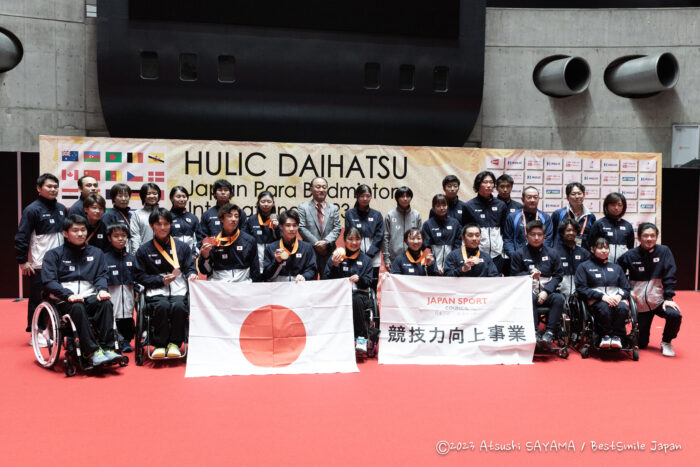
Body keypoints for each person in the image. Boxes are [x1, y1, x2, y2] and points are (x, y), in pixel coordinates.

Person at [41, 214, 122, 366]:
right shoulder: (53, 255)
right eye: (75, 230)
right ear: (65, 233)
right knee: (77, 306)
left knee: (105, 303)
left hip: (89, 296)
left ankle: (108, 348)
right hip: (64, 299)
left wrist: (101, 289)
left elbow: (101, 275)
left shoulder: (96, 253)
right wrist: (68, 295)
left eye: (83, 230)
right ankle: (91, 351)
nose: (80, 234)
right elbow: (49, 281)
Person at [134, 208, 198, 359]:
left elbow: (189, 267)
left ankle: (175, 344)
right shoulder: (144, 250)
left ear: (170, 225)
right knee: (161, 306)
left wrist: (192, 274)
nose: (162, 227)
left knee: (179, 307)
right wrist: (160, 281)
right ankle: (159, 345)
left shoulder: (182, 247)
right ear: (151, 226)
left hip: (179, 289)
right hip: (155, 290)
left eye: (166, 224)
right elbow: (139, 275)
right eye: (158, 224)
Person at [15, 173, 67, 342]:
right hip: (39, 264)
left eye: (55, 186)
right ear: (39, 188)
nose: (53, 189)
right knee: (37, 298)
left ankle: (51, 330)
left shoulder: (61, 208)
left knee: (57, 297)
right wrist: (22, 261)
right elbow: (22, 236)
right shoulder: (32, 210)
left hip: (60, 263)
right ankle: (36, 333)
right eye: (49, 186)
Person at [618, 223, 681, 356]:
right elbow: (618, 273)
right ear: (639, 237)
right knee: (641, 344)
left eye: (652, 235)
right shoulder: (630, 255)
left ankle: (666, 342)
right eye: (645, 236)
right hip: (640, 304)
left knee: (675, 315)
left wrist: (668, 298)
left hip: (659, 301)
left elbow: (670, 275)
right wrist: (628, 291)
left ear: (657, 237)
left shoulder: (664, 251)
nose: (649, 239)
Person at [510, 220, 565, 344]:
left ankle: (549, 332)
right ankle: (533, 332)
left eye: (539, 234)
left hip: (547, 292)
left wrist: (546, 291)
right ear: (526, 236)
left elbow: (558, 275)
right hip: (527, 292)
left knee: (559, 299)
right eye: (533, 234)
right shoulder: (519, 254)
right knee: (530, 298)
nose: (536, 238)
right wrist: (529, 275)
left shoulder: (552, 253)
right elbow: (514, 276)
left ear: (544, 236)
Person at [323, 227, 374, 353]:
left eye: (357, 239)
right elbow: (326, 280)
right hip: (338, 295)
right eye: (350, 239)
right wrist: (335, 266)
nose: (354, 242)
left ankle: (361, 338)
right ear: (344, 240)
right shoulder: (336, 257)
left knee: (355, 300)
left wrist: (359, 279)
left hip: (360, 295)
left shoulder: (366, 260)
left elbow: (369, 281)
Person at [575, 236, 632, 350]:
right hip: (596, 301)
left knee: (623, 308)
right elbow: (581, 288)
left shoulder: (616, 268)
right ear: (592, 249)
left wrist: (619, 296)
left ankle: (617, 337)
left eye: (606, 248)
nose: (604, 251)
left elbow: (626, 288)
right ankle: (604, 336)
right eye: (600, 248)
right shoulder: (584, 267)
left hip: (616, 300)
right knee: (604, 308)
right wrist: (601, 296)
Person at [199, 203, 259, 282]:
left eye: (236, 216)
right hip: (219, 284)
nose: (234, 219)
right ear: (221, 219)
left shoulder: (249, 240)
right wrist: (205, 257)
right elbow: (205, 271)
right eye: (229, 216)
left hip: (243, 284)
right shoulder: (214, 241)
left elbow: (255, 269)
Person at [463, 171, 508, 273]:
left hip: (497, 255)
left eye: (491, 182)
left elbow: (504, 230)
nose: (489, 185)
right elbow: (465, 231)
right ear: (478, 184)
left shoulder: (501, 205)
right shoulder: (469, 206)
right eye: (485, 182)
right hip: (477, 255)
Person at [104, 223, 137, 353]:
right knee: (113, 316)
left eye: (123, 235)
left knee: (127, 316)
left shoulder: (132, 258)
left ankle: (126, 340)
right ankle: (114, 340)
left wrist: (137, 291)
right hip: (111, 292)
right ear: (109, 238)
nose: (120, 238)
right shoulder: (104, 258)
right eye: (116, 236)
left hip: (128, 293)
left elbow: (138, 277)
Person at [298, 177, 342, 274]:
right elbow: (301, 227)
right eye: (318, 187)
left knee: (328, 280)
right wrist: (316, 243)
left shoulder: (334, 208)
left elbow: (337, 227)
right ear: (311, 189)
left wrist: (325, 242)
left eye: (324, 187)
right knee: (309, 279)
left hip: (328, 251)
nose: (321, 190)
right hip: (310, 250)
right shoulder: (303, 207)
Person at [344, 185, 384, 289]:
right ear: (356, 196)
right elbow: (348, 235)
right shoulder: (349, 214)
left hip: (373, 258)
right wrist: (359, 255)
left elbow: (379, 237)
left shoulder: (377, 215)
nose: (365, 198)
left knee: (372, 286)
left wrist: (369, 254)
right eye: (362, 196)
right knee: (354, 285)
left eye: (368, 196)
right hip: (354, 256)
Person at [262, 209, 318, 282]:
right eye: (288, 225)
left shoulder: (307, 248)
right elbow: (266, 275)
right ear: (281, 226)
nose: (291, 229)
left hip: (299, 286)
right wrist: (276, 262)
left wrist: (304, 276)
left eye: (294, 225)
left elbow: (312, 269)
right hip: (279, 287)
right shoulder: (271, 248)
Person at [503, 186, 553, 262]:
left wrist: (541, 255)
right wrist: (514, 256)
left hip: (539, 259)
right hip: (518, 260)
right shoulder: (512, 217)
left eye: (535, 197)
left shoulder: (546, 217)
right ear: (522, 199)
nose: (532, 200)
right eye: (529, 197)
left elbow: (548, 239)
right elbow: (507, 239)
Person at [588, 192, 634, 263]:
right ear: (607, 206)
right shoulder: (599, 224)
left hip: (622, 266)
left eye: (619, 205)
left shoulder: (628, 226)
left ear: (623, 207)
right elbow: (591, 245)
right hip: (601, 264)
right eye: (613, 205)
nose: (616, 208)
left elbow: (630, 248)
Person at [383, 186, 422, 270]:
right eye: (402, 196)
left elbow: (421, 238)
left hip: (413, 257)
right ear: (397, 198)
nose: (405, 199)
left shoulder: (416, 215)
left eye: (407, 196)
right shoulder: (390, 215)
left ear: (411, 198)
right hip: (394, 258)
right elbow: (385, 238)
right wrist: (386, 259)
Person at [421, 194, 461, 275]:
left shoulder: (455, 223)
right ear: (433, 207)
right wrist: (435, 266)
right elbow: (426, 247)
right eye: (438, 206)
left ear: (447, 206)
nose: (442, 208)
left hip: (451, 266)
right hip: (433, 266)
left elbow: (458, 245)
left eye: (444, 205)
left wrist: (450, 265)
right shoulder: (428, 224)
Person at [242, 190, 280, 275]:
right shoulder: (252, 219)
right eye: (263, 201)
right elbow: (245, 238)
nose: (266, 204)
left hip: (273, 251)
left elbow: (283, 237)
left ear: (273, 203)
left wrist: (276, 228)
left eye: (269, 202)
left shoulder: (278, 219)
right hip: (256, 253)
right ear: (258, 203)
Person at [551, 182, 596, 249]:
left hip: (583, 253)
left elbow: (592, 238)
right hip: (561, 252)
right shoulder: (558, 214)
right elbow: (551, 236)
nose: (577, 197)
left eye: (579, 193)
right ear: (567, 197)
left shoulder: (590, 216)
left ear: (584, 195)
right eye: (573, 194)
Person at [555, 218, 590, 298]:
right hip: (560, 295)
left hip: (579, 295)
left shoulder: (584, 253)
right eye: (568, 230)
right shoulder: (554, 253)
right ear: (562, 232)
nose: (571, 233)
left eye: (574, 230)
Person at [169, 186, 203, 258]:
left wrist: (195, 253)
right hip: (172, 257)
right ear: (171, 198)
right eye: (178, 197)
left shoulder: (193, 218)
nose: (182, 199)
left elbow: (199, 238)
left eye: (184, 197)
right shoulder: (167, 217)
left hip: (191, 257)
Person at [129, 182, 161, 253]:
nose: (152, 196)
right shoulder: (136, 214)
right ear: (143, 196)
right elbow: (135, 236)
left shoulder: (163, 213)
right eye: (148, 194)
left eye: (155, 193)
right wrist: (137, 254)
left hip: (162, 253)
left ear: (158, 195)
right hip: (144, 253)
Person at [102, 183, 132, 250]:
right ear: (114, 198)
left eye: (126, 196)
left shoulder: (132, 216)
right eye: (120, 196)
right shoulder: (108, 216)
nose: (123, 199)